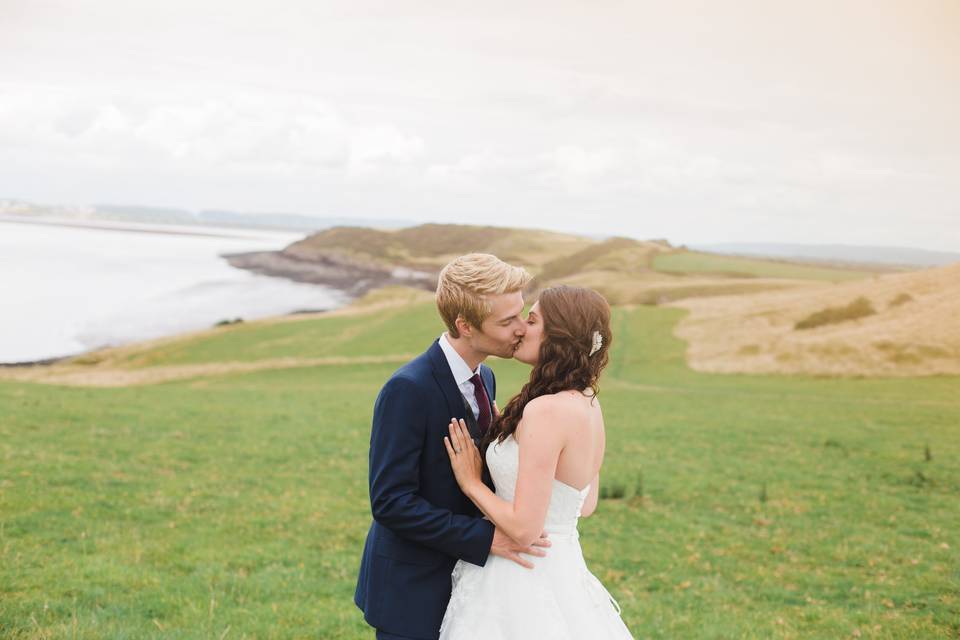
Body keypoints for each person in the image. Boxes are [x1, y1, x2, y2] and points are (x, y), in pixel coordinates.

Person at [354, 253, 552, 640]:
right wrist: (484, 538)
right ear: (465, 325)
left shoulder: (487, 378)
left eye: (521, 314)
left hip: (470, 590)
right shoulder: (407, 389)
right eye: (506, 320)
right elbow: (390, 502)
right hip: (412, 591)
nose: (520, 329)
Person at [439, 285, 634, 639]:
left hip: (521, 574)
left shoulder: (546, 410)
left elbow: (526, 530)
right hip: (561, 567)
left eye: (531, 320)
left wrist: (471, 483)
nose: (521, 329)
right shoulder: (588, 401)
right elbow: (584, 503)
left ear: (557, 337)